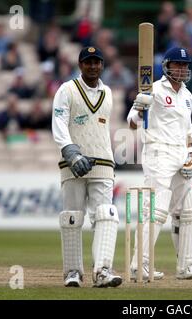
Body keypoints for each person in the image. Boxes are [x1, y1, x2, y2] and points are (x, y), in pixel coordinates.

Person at [127, 47, 192, 280]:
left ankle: (186, 266)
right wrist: (140, 109)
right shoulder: (154, 90)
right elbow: (131, 122)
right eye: (177, 65)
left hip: (181, 154)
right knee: (157, 208)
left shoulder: (188, 96)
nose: (182, 69)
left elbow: (187, 129)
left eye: (185, 65)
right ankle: (140, 264)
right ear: (167, 66)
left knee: (187, 210)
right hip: (159, 152)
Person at [52, 46, 122, 288]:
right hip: (72, 163)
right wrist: (71, 152)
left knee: (106, 215)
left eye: (97, 62)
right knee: (72, 217)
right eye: (88, 62)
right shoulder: (67, 89)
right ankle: (72, 272)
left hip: (103, 163)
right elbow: (59, 121)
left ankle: (103, 270)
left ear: (102, 65)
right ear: (80, 65)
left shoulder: (109, 92)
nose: (93, 66)